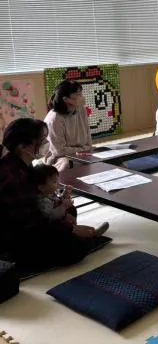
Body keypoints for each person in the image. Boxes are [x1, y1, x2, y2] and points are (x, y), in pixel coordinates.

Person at [0, 118, 103, 273]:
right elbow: (29, 223)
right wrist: (70, 229)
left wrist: (62, 209)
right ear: (23, 146)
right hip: (16, 238)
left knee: (69, 210)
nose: (45, 144)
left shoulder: (20, 163)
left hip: (32, 222)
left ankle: (78, 235)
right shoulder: (12, 176)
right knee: (75, 248)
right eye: (40, 141)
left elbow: (39, 205)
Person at [32, 164, 110, 235]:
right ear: (42, 187)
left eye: (58, 180)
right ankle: (91, 234)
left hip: (63, 218)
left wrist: (65, 194)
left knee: (72, 209)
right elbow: (50, 216)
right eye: (54, 182)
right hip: (57, 224)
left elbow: (58, 200)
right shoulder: (43, 201)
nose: (58, 183)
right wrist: (64, 206)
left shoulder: (49, 193)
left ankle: (76, 228)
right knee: (70, 213)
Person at [43, 80, 92, 171]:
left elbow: (88, 140)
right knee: (66, 164)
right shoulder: (54, 118)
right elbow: (59, 151)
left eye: (81, 94)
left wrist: (87, 149)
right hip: (59, 158)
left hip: (82, 153)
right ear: (66, 99)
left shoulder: (81, 110)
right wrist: (84, 149)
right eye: (78, 95)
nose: (82, 97)